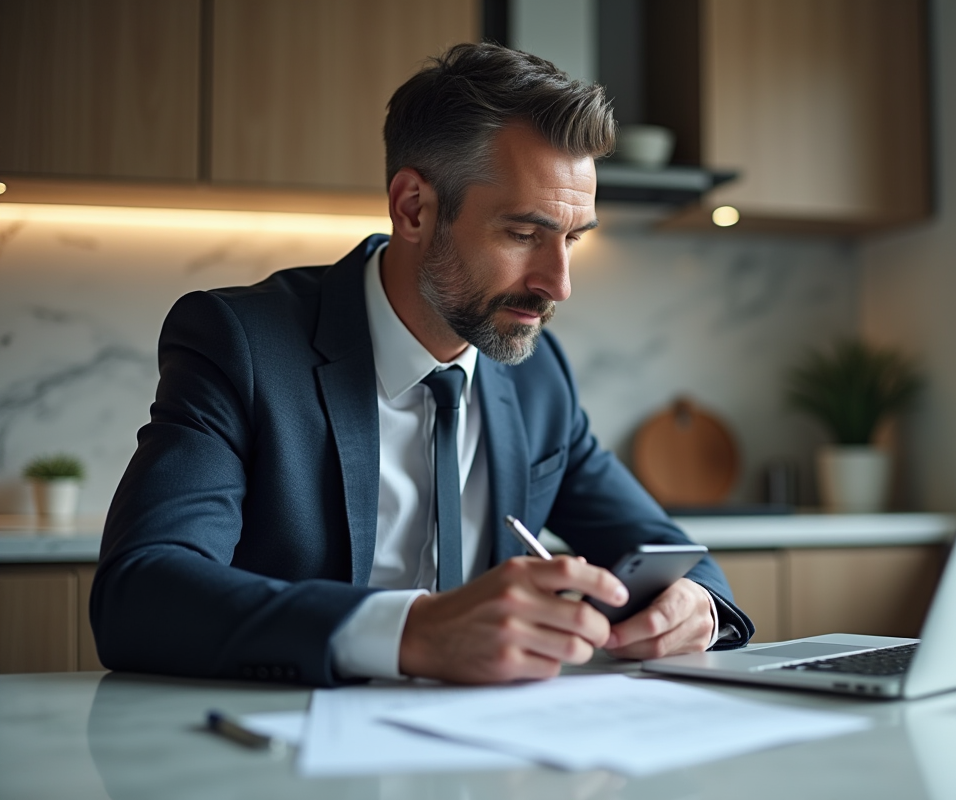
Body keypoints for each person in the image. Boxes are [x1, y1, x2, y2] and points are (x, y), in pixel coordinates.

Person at [91, 43, 753, 687]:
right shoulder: (243, 344)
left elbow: (667, 552)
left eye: (572, 239)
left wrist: (695, 605)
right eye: (523, 234)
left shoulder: (537, 372)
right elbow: (139, 592)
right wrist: (411, 631)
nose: (559, 285)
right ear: (413, 207)